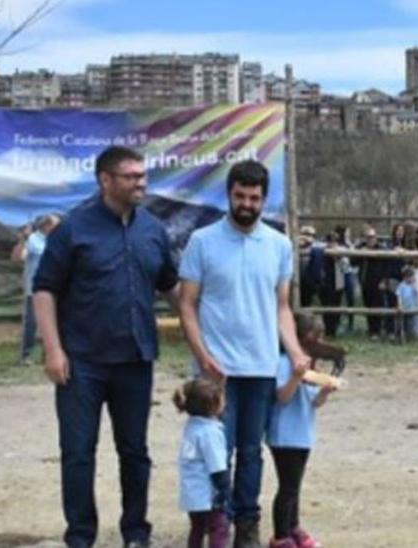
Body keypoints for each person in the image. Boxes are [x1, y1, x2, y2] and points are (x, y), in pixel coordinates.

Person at [32, 146, 180, 548]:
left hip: (135, 359)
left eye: (143, 176)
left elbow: (173, 288)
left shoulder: (153, 230)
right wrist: (53, 350)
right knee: (78, 453)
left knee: (135, 452)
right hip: (82, 363)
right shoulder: (73, 229)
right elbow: (44, 291)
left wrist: (203, 336)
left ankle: (136, 533)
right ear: (106, 180)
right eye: (131, 176)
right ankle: (80, 536)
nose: (141, 183)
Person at [176, 159, 310, 548]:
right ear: (229, 194)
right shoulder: (202, 241)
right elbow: (187, 304)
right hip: (216, 371)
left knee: (252, 451)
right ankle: (215, 524)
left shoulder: (280, 245)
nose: (246, 204)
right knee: (219, 450)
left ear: (264, 199)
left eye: (254, 197)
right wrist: (202, 356)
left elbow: (282, 307)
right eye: (240, 196)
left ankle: (246, 529)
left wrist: (296, 352)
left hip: (262, 366)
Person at [266, 314, 336, 548]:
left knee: (294, 487)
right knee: (287, 487)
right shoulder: (285, 363)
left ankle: (293, 526)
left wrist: (324, 391)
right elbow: (283, 397)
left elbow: (313, 402)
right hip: (284, 435)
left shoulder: (309, 365)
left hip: (302, 434)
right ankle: (280, 536)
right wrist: (297, 376)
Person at [174, 378, 231, 548]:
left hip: (192, 493)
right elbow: (217, 467)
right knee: (219, 528)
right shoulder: (210, 433)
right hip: (209, 494)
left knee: (197, 529)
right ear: (214, 405)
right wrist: (225, 491)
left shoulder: (192, 426)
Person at [13, 214, 61, 366]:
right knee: (31, 324)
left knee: (55, 323)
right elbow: (19, 258)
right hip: (34, 290)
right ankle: (25, 356)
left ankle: (48, 355)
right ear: (46, 226)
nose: (59, 228)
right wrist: (23, 240)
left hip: (54, 289)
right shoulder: (33, 239)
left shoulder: (57, 241)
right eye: (56, 225)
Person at [355, 227, 390, 339]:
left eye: (372, 237)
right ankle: (371, 330)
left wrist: (384, 280)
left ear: (376, 237)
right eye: (368, 237)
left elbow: (386, 267)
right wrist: (360, 253)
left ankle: (378, 330)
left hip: (378, 282)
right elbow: (353, 262)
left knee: (378, 306)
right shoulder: (360, 248)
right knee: (368, 306)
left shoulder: (381, 249)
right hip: (365, 281)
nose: (370, 239)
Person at [298, 226, 322, 308]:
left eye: (312, 235)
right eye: (306, 234)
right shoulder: (294, 243)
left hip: (310, 283)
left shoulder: (317, 247)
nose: (308, 237)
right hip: (295, 281)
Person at [395, 266, 418, 340]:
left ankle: (409, 336)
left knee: (410, 323)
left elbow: (416, 293)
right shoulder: (401, 286)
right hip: (403, 307)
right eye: (410, 277)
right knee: (402, 323)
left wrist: (414, 285)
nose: (412, 279)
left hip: (412, 307)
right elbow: (399, 296)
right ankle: (400, 335)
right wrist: (399, 305)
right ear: (405, 277)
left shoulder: (413, 286)